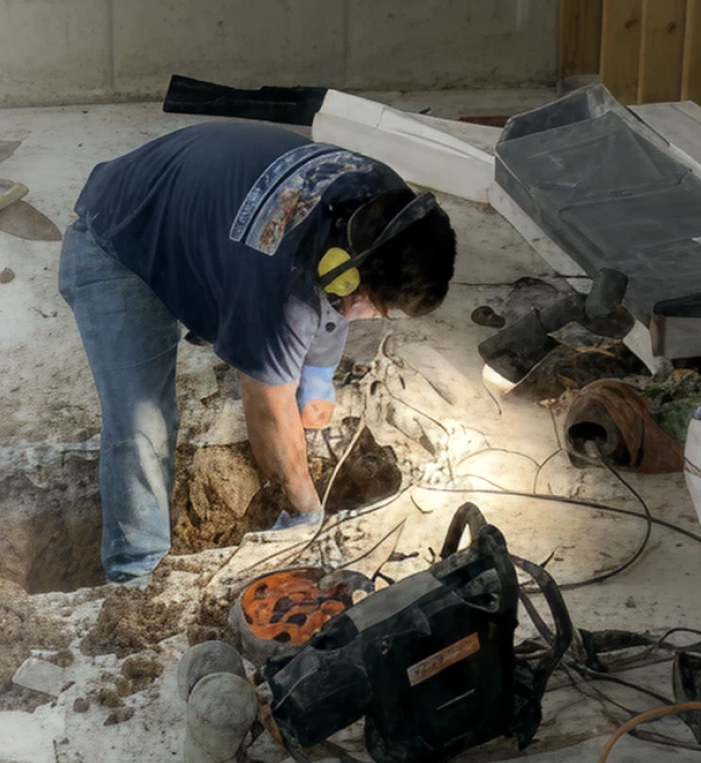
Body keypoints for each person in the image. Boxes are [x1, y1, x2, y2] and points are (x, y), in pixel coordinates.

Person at [58, 121, 455, 586]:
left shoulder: (384, 210)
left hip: (193, 209)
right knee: (142, 421)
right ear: (340, 270)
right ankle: (135, 573)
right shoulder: (278, 279)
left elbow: (330, 301)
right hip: (119, 235)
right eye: (370, 305)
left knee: (296, 318)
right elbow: (267, 408)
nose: (365, 315)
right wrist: (305, 508)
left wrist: (318, 378)